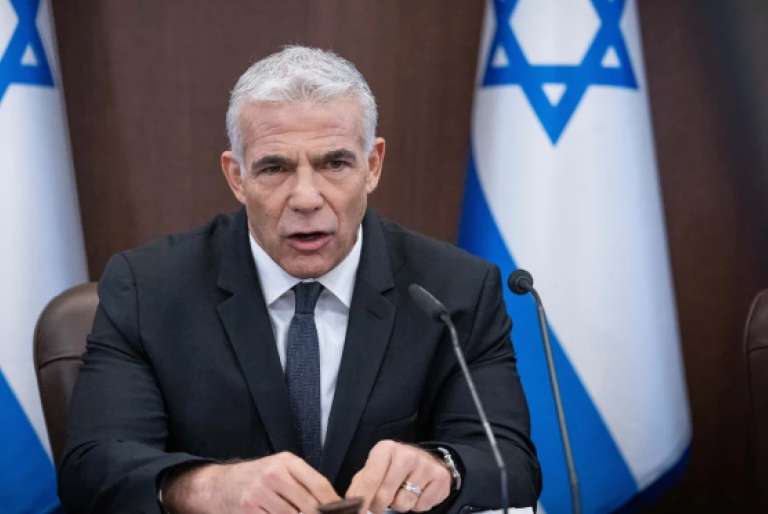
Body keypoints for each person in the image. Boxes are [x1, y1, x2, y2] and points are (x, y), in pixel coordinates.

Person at [58, 46, 541, 514]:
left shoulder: (454, 290)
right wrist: (208, 488)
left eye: (334, 163)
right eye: (275, 168)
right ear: (237, 176)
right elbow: (91, 468)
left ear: (372, 165)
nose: (306, 197)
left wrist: (443, 467)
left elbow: (510, 462)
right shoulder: (149, 288)